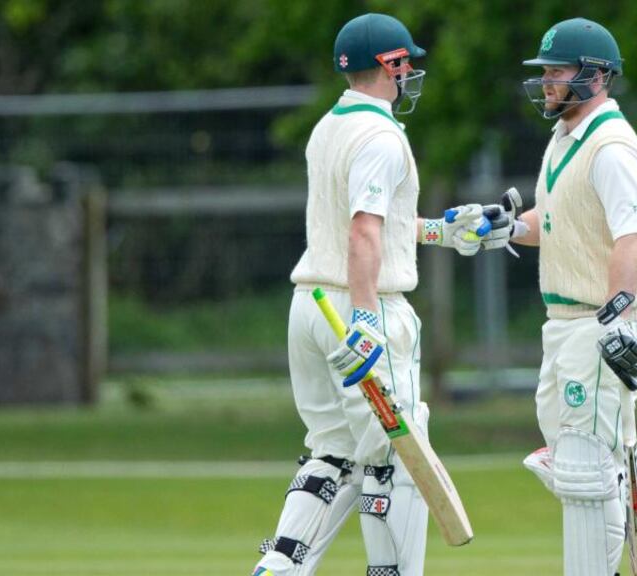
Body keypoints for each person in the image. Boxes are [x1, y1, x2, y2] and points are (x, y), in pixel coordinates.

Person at [481, 17, 637, 576]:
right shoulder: (566, 137)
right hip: (567, 319)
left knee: (586, 469)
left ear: (594, 75)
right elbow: (560, 220)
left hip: (607, 316)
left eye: (557, 70)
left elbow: (632, 234)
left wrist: (614, 314)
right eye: (544, 70)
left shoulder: (613, 147)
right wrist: (511, 228)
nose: (546, 80)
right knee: (568, 447)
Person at [251, 13, 488, 576]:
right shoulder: (382, 135)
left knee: (334, 450)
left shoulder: (329, 125)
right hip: (362, 307)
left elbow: (375, 224)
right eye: (407, 63)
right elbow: (363, 232)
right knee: (396, 457)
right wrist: (365, 320)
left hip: (310, 305)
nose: (412, 75)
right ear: (391, 65)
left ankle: (279, 568)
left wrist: (440, 232)